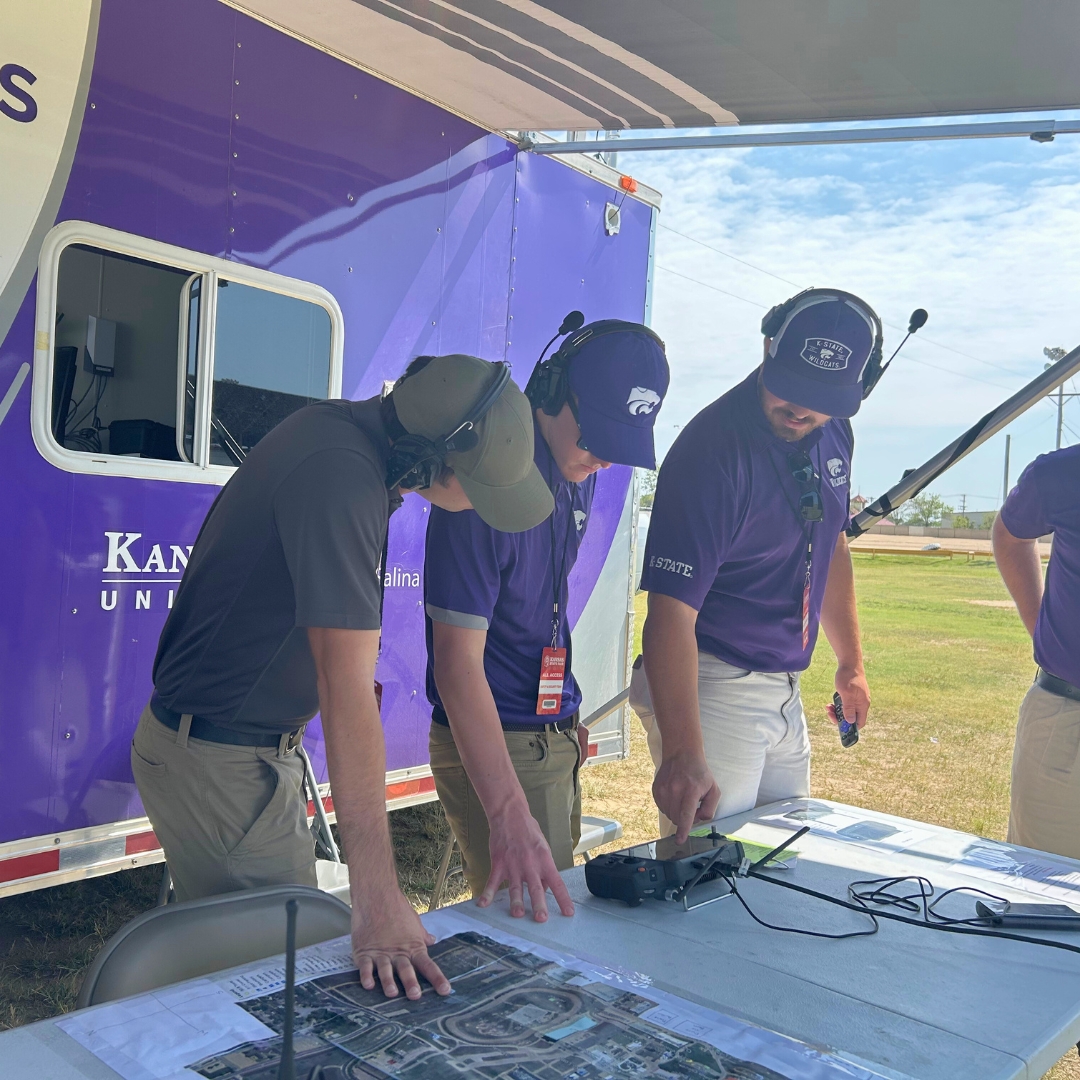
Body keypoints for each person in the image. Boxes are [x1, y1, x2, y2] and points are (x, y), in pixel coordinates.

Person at [131, 354, 552, 1001]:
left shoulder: (341, 442)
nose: (476, 507)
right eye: (478, 487)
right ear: (429, 456)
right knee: (288, 994)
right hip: (223, 763)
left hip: (231, 751)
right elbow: (346, 689)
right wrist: (377, 896)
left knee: (263, 978)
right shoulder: (342, 476)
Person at [423, 321, 669, 919]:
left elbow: (542, 610)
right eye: (597, 439)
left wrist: (561, 712)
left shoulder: (574, 471)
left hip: (549, 731)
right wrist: (509, 809)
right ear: (551, 392)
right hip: (501, 741)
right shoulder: (488, 485)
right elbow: (457, 667)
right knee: (540, 935)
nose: (605, 461)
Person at [639, 289, 876, 842]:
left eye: (823, 399)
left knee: (779, 865)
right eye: (791, 388)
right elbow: (667, 614)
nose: (802, 410)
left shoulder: (833, 429)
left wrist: (851, 662)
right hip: (715, 684)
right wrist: (683, 751)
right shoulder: (711, 452)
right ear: (768, 347)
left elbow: (831, 541)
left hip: (786, 688)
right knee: (703, 879)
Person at [994, 444, 1080, 859]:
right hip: (1067, 714)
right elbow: (1011, 537)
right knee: (1040, 896)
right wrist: (1043, 630)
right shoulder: (1063, 471)